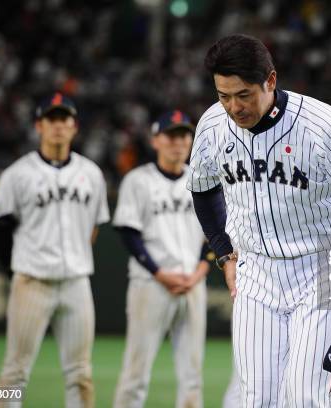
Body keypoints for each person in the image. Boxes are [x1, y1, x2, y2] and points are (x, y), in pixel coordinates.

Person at [187, 34, 331, 407]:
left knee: (303, 395)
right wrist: (223, 253)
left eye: (243, 94)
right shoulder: (213, 125)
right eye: (223, 95)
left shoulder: (324, 125)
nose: (233, 106)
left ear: (271, 81)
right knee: (257, 397)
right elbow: (202, 189)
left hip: (321, 270)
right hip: (255, 272)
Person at [0, 92, 109, 408]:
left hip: (76, 284)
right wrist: (18, 270)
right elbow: (1, 230)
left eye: (64, 120)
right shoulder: (18, 174)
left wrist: (75, 255)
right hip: (32, 282)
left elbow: (93, 227)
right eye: (51, 119)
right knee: (15, 371)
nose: (58, 126)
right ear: (39, 126)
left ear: (74, 127)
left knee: (81, 374)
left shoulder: (91, 174)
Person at [113, 111, 212, 408]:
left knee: (193, 374)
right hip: (151, 284)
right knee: (136, 372)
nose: (178, 142)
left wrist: (200, 272)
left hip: (193, 283)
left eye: (184, 136)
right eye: (170, 136)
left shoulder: (203, 180)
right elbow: (129, 233)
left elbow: (215, 236)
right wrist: (159, 273)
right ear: (156, 140)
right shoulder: (138, 180)